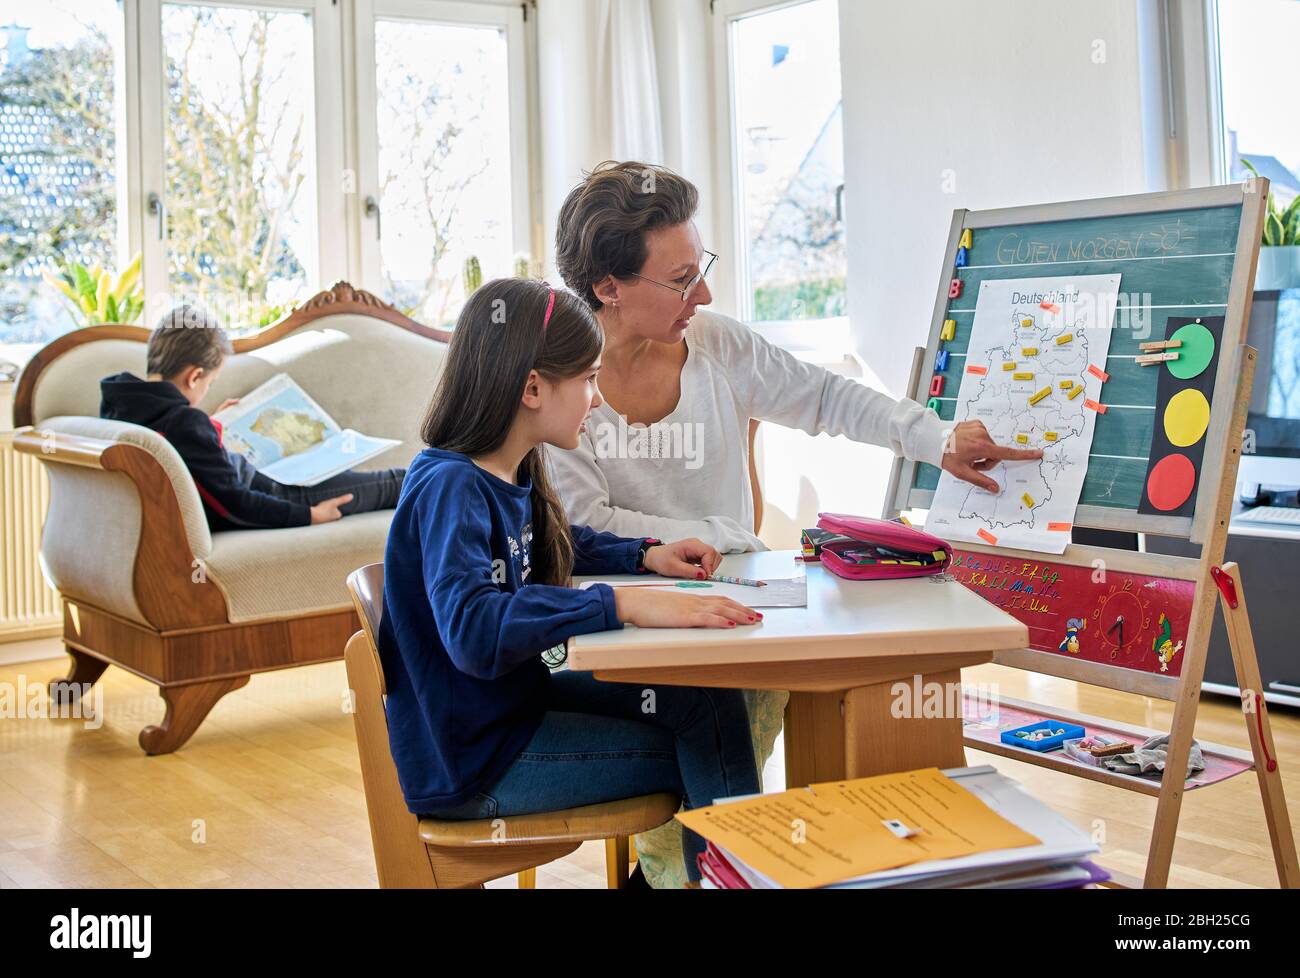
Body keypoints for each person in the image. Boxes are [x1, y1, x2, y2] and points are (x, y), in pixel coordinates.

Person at [547, 160, 1043, 886]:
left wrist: (936, 439)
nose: (705, 293)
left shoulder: (718, 346)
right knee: (715, 700)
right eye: (681, 279)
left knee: (798, 670)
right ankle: (690, 871)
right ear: (608, 287)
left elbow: (827, 398)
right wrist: (726, 535)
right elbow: (592, 526)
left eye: (701, 268)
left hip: (728, 606)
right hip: (619, 613)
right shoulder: (564, 387)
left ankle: (710, 869)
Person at [379, 278, 763, 884]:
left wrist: (645, 555)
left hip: (515, 710)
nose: (599, 399)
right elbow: (473, 632)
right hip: (480, 762)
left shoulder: (509, 467)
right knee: (707, 746)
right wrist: (620, 604)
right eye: (587, 379)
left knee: (709, 703)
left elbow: (554, 545)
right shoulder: (450, 486)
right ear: (533, 386)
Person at [100, 305, 405, 530]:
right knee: (400, 481)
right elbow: (235, 503)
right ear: (194, 377)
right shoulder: (184, 425)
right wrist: (309, 516)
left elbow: (183, 449)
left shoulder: (122, 406)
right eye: (211, 383)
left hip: (266, 481)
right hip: (280, 494)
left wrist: (209, 423)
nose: (208, 389)